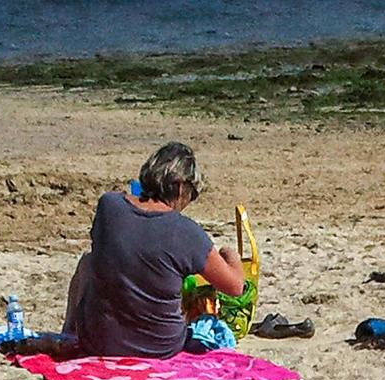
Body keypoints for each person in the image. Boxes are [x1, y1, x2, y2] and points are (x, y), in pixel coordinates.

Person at [59, 142, 247, 359]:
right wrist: (230, 254)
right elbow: (235, 287)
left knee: (88, 261)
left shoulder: (109, 206)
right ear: (180, 188)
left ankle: (69, 333)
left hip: (99, 342)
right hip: (159, 347)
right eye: (192, 193)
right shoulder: (186, 232)